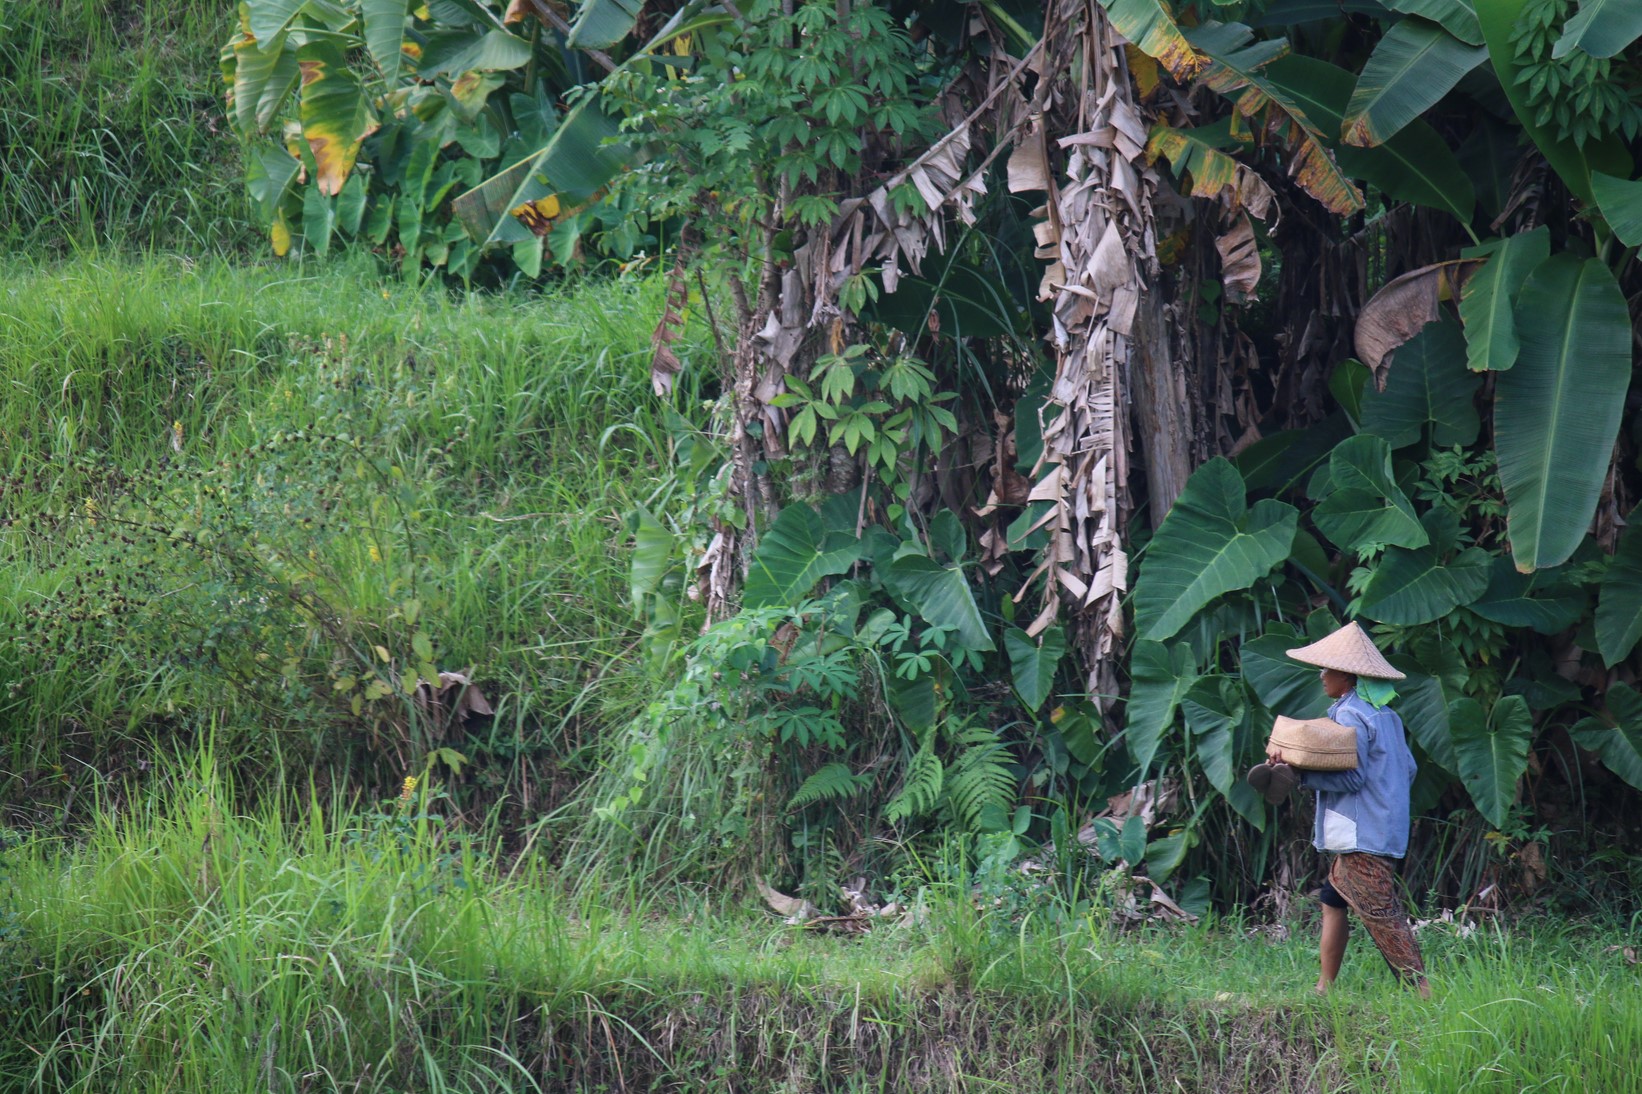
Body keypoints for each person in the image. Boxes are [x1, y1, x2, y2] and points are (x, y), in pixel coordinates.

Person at [1268, 621, 1428, 998]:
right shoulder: (1386, 714)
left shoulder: (1349, 715)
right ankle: (1324, 987)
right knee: (1332, 899)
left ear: (1347, 676)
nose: (1321, 676)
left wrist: (1300, 775)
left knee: (1381, 914)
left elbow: (1352, 779)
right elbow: (1408, 769)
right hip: (1384, 827)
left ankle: (1423, 992)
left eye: (1327, 669)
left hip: (1361, 833)